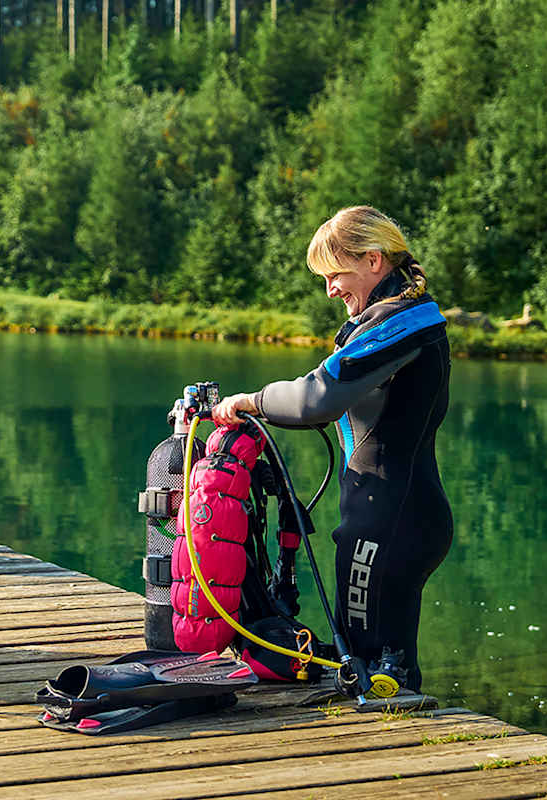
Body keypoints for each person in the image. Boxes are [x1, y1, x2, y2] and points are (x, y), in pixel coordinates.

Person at [212, 206, 453, 693]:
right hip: (391, 515)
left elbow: (315, 398)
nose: (330, 289)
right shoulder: (401, 318)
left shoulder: (400, 323)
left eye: (335, 274)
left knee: (370, 669)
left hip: (387, 523)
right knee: (379, 669)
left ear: (373, 261)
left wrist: (249, 401)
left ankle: (390, 756)